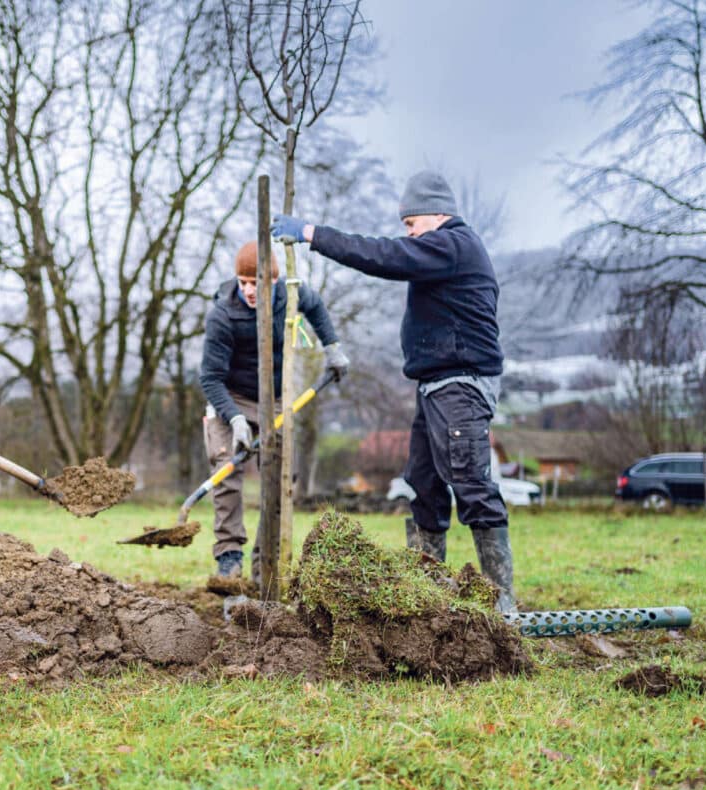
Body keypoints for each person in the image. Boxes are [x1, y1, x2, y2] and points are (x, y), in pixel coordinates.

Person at [270, 170, 516, 612]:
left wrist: (312, 234)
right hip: (436, 387)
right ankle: (428, 598)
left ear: (437, 213)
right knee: (424, 487)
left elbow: (385, 256)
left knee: (473, 487)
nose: (408, 232)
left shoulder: (452, 244)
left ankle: (503, 605)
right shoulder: (443, 250)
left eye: (411, 222)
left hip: (460, 386)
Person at [199, 241, 349, 582]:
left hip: (278, 397)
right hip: (231, 396)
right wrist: (235, 419)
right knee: (226, 472)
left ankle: (264, 562)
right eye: (243, 282)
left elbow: (317, 308)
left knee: (281, 476)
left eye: (257, 283)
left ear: (274, 282)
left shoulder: (291, 295)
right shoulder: (223, 313)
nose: (249, 290)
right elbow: (210, 378)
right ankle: (229, 557)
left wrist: (333, 349)